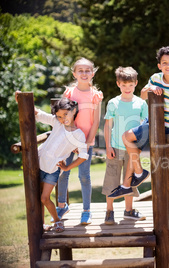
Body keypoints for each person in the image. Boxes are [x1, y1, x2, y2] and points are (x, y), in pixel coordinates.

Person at [108, 46, 169, 199]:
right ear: (159, 66)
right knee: (134, 151)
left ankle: (140, 173)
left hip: (164, 126)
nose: (168, 66)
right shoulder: (155, 78)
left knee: (127, 137)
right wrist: (151, 88)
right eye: (165, 63)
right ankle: (126, 186)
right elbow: (142, 95)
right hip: (150, 120)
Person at [15, 94, 88, 232]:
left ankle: (57, 221)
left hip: (53, 169)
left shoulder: (79, 134)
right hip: (38, 164)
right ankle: (42, 224)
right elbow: (38, 113)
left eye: (65, 115)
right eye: (59, 116)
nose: (63, 119)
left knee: (44, 198)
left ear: (74, 111)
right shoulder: (57, 123)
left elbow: (83, 156)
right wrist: (20, 99)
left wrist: (67, 167)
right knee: (36, 197)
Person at [55, 57, 103, 225]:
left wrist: (84, 143)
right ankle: (62, 206)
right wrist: (72, 140)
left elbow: (96, 122)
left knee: (84, 176)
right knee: (62, 172)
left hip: (86, 142)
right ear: (74, 73)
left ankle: (87, 211)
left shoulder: (96, 96)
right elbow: (63, 117)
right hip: (67, 140)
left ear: (93, 73)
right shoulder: (68, 93)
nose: (84, 73)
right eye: (80, 70)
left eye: (87, 70)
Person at [102, 67, 148, 224]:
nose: (127, 88)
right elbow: (107, 126)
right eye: (123, 85)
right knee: (111, 179)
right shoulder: (113, 103)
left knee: (130, 181)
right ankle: (109, 212)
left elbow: (145, 126)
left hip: (132, 149)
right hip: (115, 148)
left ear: (136, 83)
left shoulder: (141, 103)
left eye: (130, 85)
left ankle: (129, 211)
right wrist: (108, 146)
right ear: (118, 84)